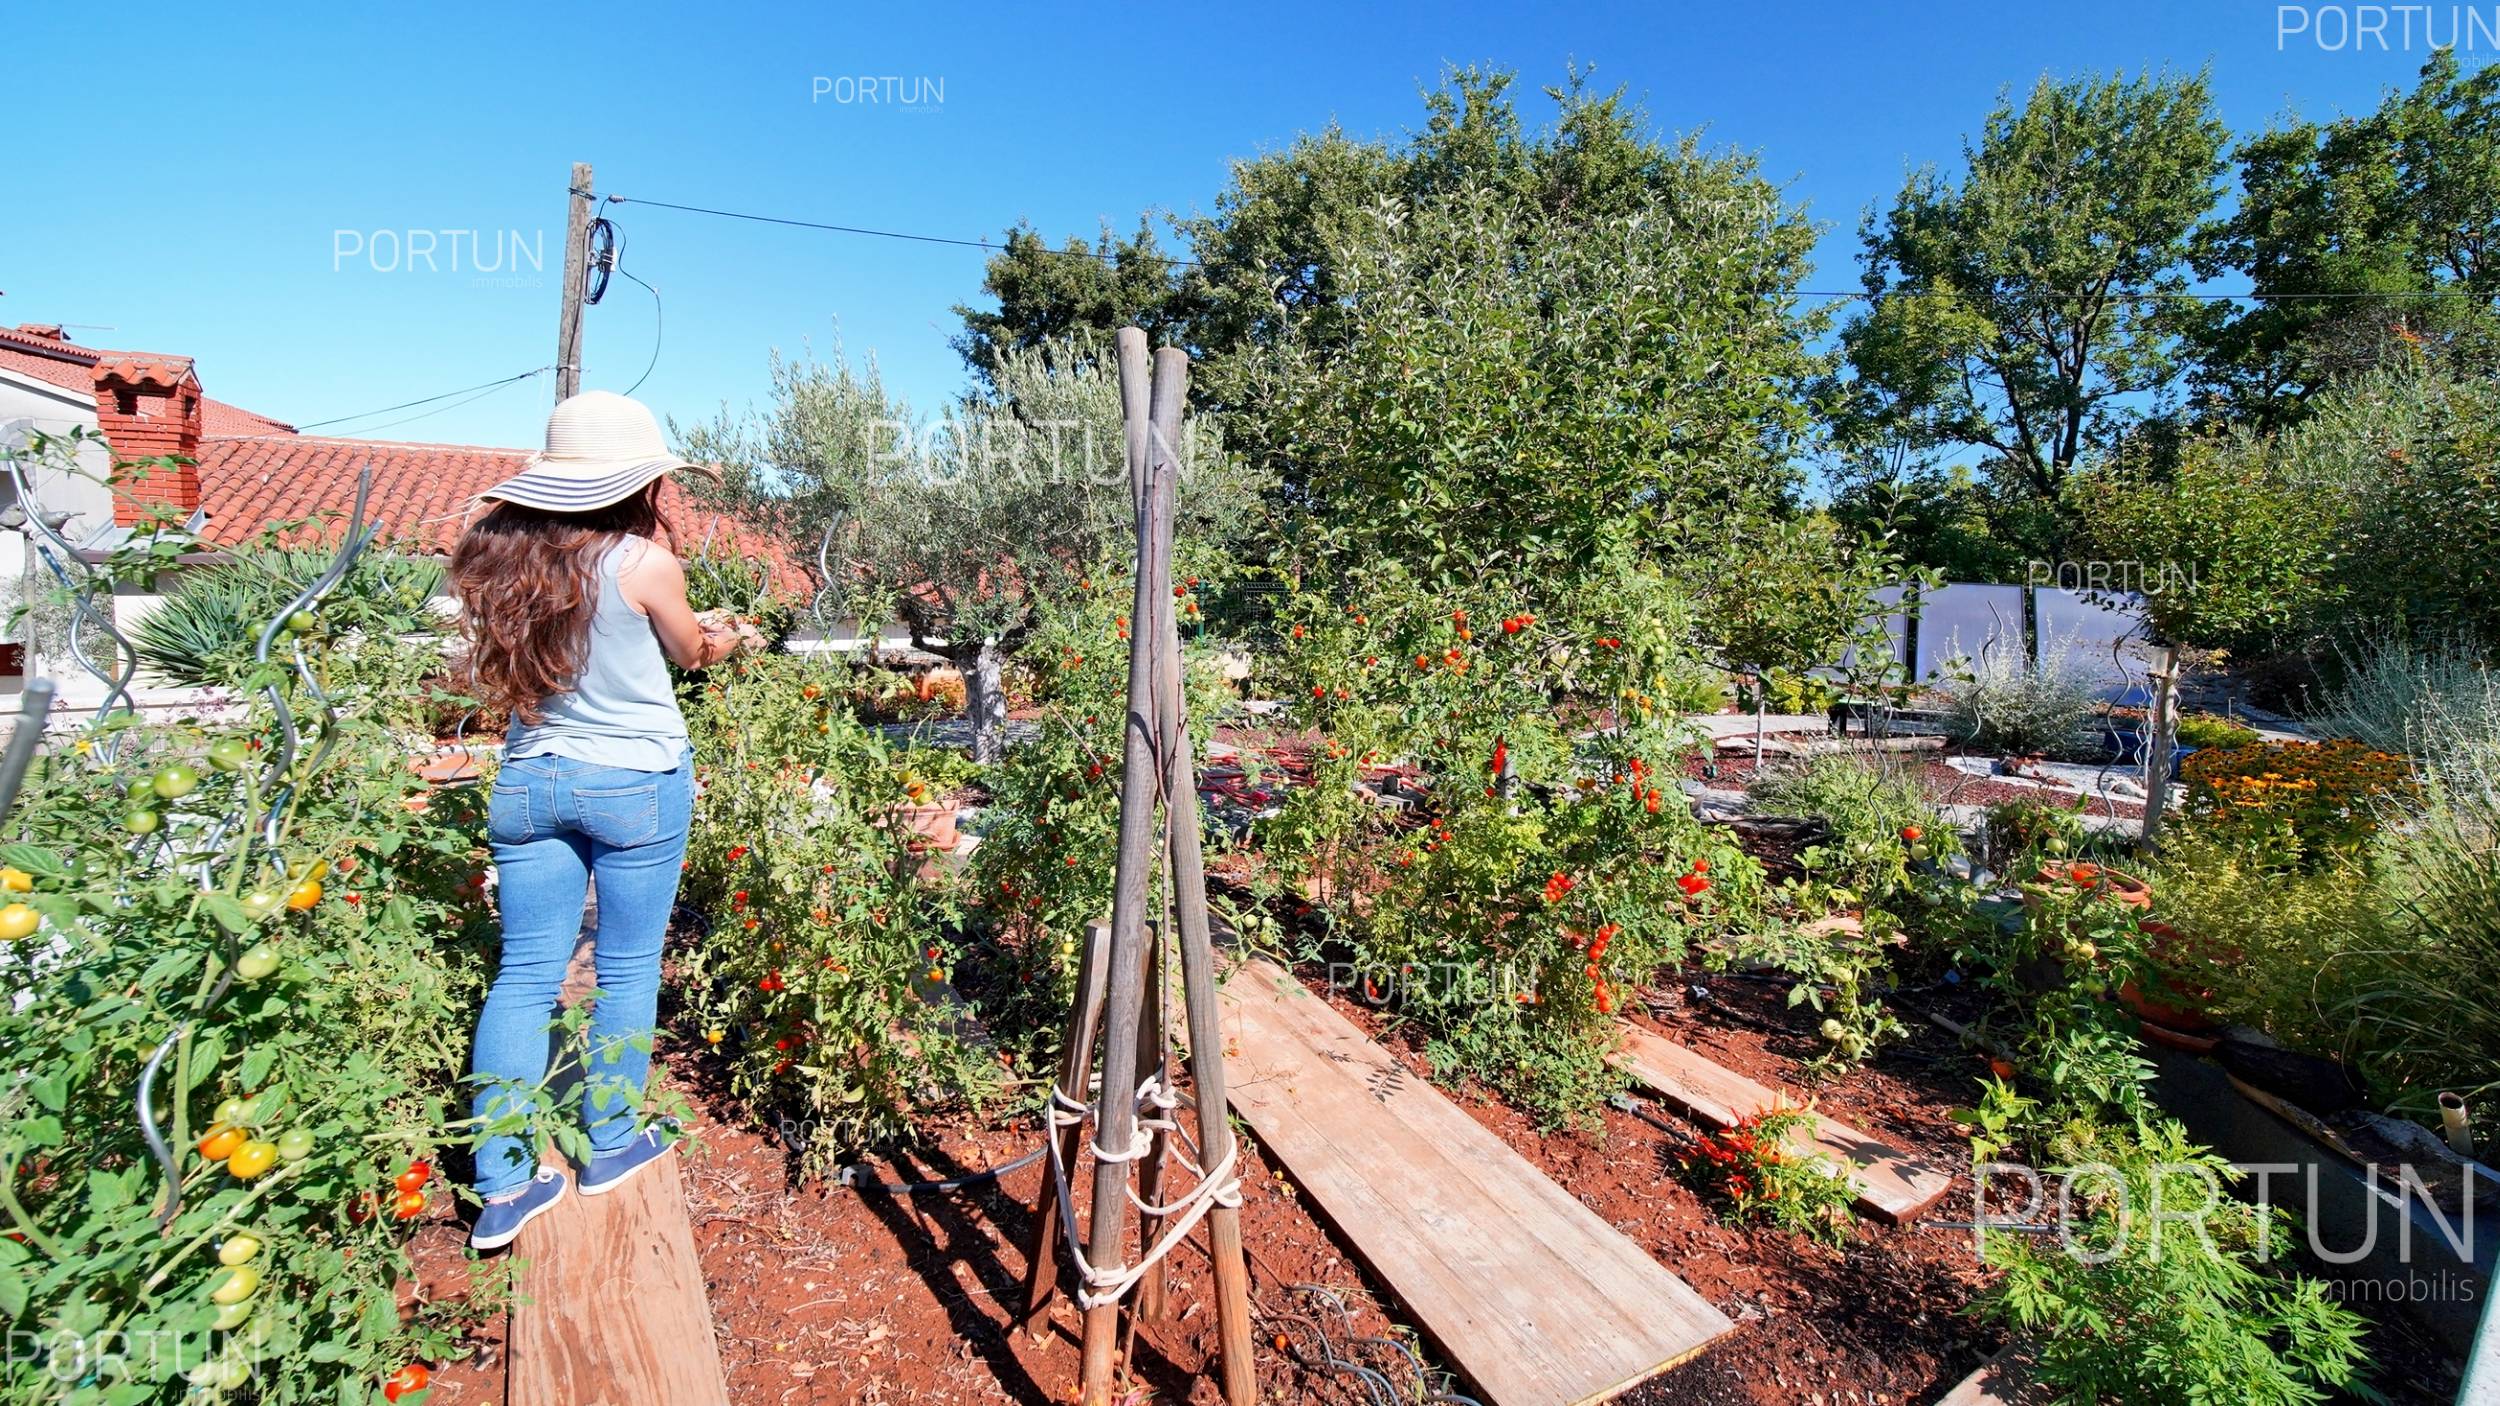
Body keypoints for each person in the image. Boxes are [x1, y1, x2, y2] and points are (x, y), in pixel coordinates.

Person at [448, 390, 757, 1251]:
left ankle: (503, 1188)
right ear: (636, 483)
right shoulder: (644, 562)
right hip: (635, 782)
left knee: (523, 977)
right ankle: (608, 1145)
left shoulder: (496, 561)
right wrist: (730, 636)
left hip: (531, 779)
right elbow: (690, 653)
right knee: (625, 971)